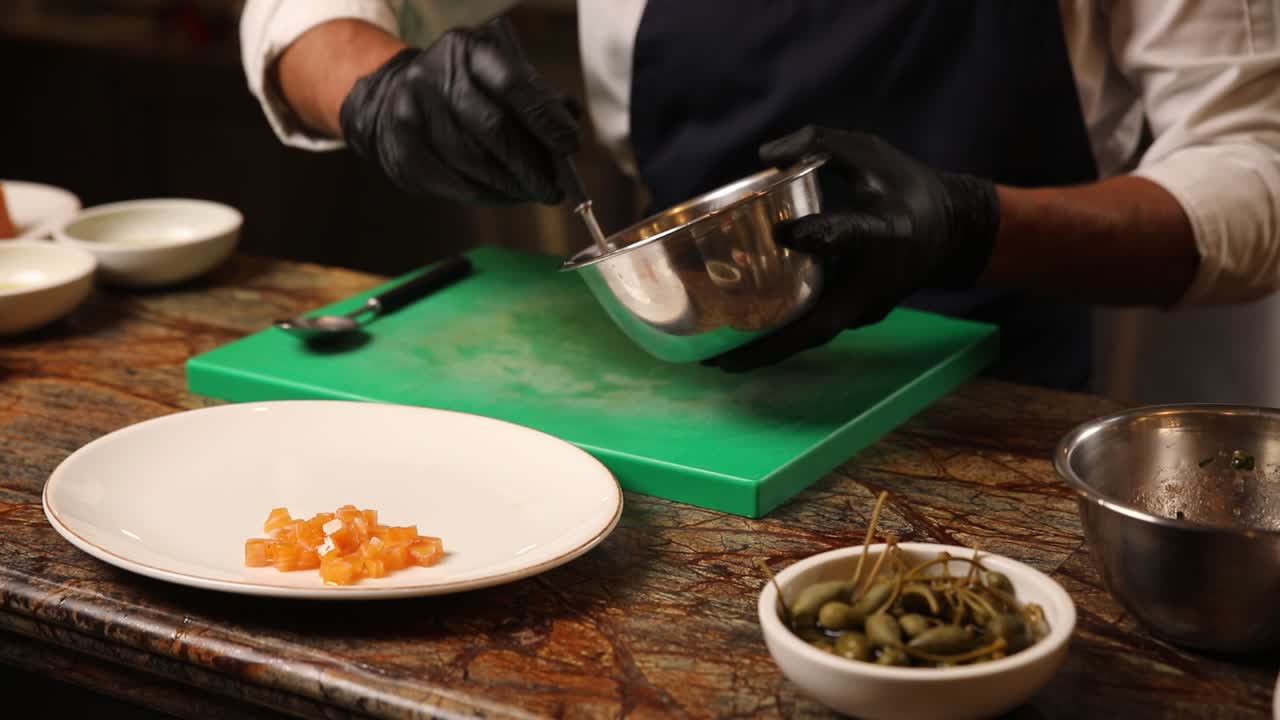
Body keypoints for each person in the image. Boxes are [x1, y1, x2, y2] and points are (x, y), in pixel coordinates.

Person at [239, 1, 1280, 392]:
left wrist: (972, 227)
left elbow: (1251, 163)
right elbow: (305, 13)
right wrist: (380, 90)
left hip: (1008, 411)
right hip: (682, 392)